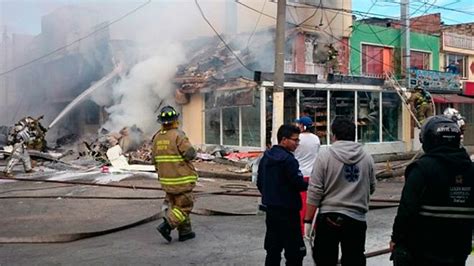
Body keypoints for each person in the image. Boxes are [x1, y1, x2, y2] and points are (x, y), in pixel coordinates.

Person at [389, 115, 474, 266]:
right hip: (458, 250)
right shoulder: (470, 169)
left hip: (422, 250)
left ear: (427, 140)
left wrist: (396, 238)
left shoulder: (421, 169)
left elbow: (406, 210)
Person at [304, 117, 376, 266]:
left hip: (329, 218)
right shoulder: (367, 158)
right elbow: (372, 187)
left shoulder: (325, 156)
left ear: (334, 135)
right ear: (354, 135)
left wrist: (308, 220)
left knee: (325, 259)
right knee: (354, 259)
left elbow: (315, 190)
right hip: (356, 219)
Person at [257, 124, 308, 266]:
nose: (297, 144)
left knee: (273, 250)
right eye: (295, 140)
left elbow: (260, 183)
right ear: (284, 139)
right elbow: (298, 184)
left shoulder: (266, 157)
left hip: (271, 211)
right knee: (295, 252)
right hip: (288, 213)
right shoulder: (289, 160)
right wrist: (312, 184)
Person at [152, 105, 198, 243]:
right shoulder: (178, 135)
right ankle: (167, 226)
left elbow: (154, 160)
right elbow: (190, 154)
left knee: (177, 205)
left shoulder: (156, 138)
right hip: (181, 180)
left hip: (166, 181)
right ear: (175, 120)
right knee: (185, 206)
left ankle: (185, 232)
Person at [294, 116, 321, 234]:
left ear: (302, 126)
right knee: (312, 202)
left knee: (301, 203)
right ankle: (313, 226)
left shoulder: (297, 138)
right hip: (313, 174)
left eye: (299, 124)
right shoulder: (316, 139)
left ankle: (302, 228)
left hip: (300, 173)